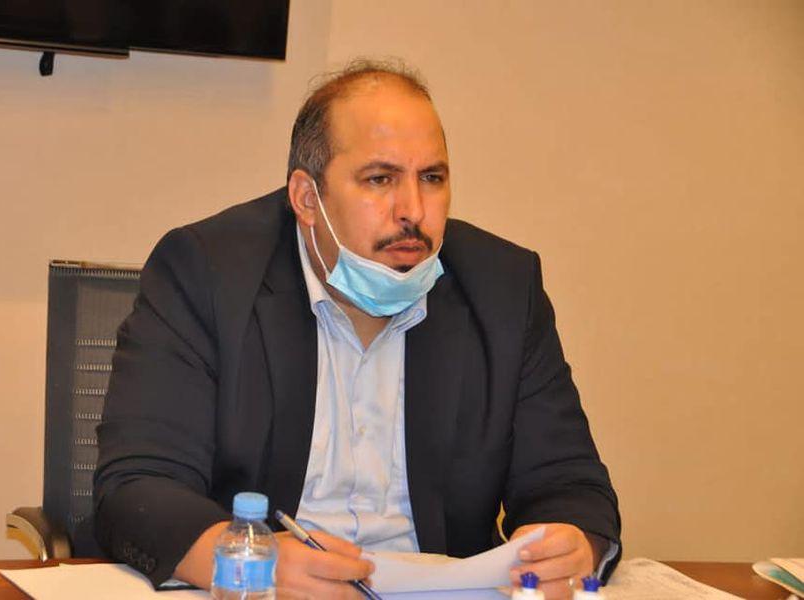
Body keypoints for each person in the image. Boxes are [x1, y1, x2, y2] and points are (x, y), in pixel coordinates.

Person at [93, 59, 621, 600]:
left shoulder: (503, 288)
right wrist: (252, 562)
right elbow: (137, 486)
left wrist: (573, 544)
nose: (413, 211)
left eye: (432, 178)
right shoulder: (206, 273)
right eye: (380, 179)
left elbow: (569, 484)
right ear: (307, 199)